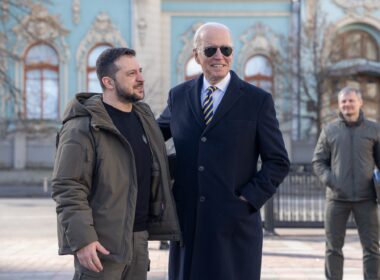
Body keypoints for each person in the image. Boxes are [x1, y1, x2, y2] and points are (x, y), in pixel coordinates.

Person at [157, 22, 290, 280]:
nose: (219, 56)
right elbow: (150, 137)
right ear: (196, 55)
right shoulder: (179, 97)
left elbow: (278, 161)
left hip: (234, 226)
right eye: (210, 50)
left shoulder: (257, 101)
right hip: (188, 225)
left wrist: (248, 198)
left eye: (226, 49)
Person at [51, 47, 181, 280]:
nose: (141, 78)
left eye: (140, 71)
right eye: (131, 74)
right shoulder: (82, 126)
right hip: (100, 247)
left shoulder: (145, 118)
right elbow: (68, 186)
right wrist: (83, 240)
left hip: (138, 242)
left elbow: (154, 167)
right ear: (108, 82)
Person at [312, 86, 380, 280]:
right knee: (333, 248)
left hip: (367, 199)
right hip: (337, 199)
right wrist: (331, 181)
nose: (347, 105)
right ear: (339, 105)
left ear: (360, 102)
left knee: (372, 248)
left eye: (351, 101)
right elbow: (318, 161)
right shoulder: (329, 130)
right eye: (343, 101)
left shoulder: (374, 129)